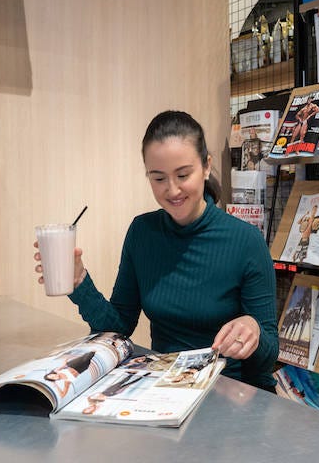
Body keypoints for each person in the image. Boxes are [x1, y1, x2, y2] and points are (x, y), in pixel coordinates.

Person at [34, 110, 278, 391]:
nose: (172, 190)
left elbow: (267, 359)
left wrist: (255, 333)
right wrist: (78, 282)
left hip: (232, 392)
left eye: (183, 174)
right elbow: (119, 328)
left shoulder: (246, 241)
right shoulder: (142, 232)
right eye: (159, 178)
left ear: (206, 166)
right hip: (166, 388)